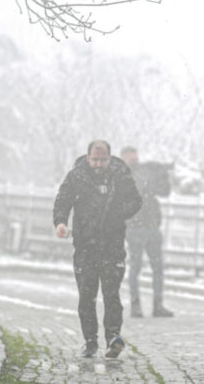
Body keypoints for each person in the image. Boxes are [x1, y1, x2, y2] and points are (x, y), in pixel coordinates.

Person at [53, 140, 142, 358]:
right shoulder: (76, 176)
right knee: (86, 295)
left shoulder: (120, 175)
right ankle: (90, 341)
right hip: (85, 245)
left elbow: (136, 201)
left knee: (112, 294)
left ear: (110, 158)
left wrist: (117, 213)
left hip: (113, 245)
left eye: (102, 159)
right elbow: (62, 201)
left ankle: (113, 337)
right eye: (95, 159)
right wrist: (60, 223)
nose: (98, 164)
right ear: (87, 157)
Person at [120, 147, 174, 318]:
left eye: (135, 156)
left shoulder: (145, 172)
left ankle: (157, 305)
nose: (134, 160)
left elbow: (164, 191)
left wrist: (163, 175)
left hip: (151, 226)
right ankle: (136, 305)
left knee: (157, 268)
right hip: (135, 227)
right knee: (136, 267)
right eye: (130, 157)